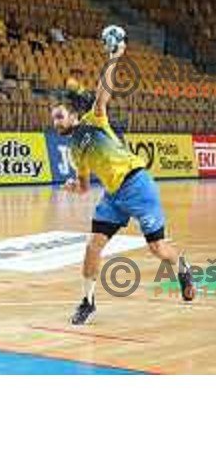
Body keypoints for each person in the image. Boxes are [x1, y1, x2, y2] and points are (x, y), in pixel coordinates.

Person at [50, 37, 195, 325]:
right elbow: (82, 187)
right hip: (114, 196)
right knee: (93, 246)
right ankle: (87, 302)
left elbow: (103, 93)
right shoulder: (76, 152)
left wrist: (114, 57)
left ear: (75, 116)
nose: (55, 122)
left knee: (158, 249)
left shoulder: (94, 120)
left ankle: (182, 269)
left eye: (59, 117)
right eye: (53, 119)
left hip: (138, 185)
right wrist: (71, 187)